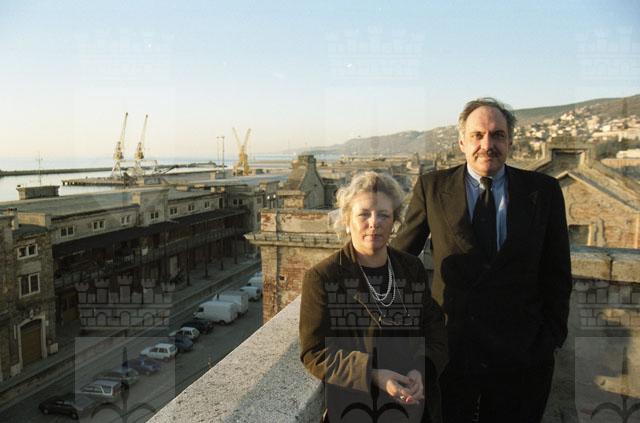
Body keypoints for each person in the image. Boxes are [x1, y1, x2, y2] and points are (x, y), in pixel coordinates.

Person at [392, 97, 572, 422]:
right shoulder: (432, 188)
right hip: (452, 353)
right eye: (477, 135)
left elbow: (557, 271)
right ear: (462, 142)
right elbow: (401, 258)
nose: (487, 145)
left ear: (510, 142)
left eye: (498, 135)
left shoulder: (543, 191)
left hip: (522, 359)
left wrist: (551, 338)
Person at [299, 171, 448, 423]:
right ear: (347, 220)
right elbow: (315, 352)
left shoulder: (411, 269)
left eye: (383, 215)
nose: (374, 223)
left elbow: (434, 328)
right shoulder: (324, 277)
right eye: (364, 214)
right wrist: (374, 375)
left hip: (413, 410)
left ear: (395, 222)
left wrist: (422, 368)